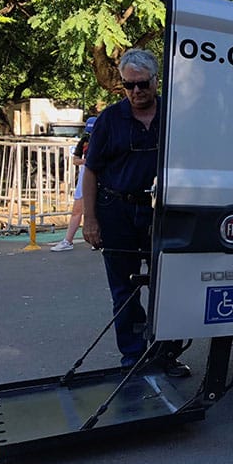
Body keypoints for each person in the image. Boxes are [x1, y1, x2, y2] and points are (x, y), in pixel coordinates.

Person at [81, 48, 190, 377]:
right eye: (129, 85)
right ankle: (133, 357)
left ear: (156, 80)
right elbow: (90, 170)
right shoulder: (109, 119)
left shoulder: (174, 115)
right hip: (117, 211)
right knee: (124, 291)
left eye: (142, 84)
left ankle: (165, 355)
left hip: (162, 213)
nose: (136, 91)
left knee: (167, 287)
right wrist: (90, 220)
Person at [50, 116, 96, 252]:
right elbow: (75, 159)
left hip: (100, 174)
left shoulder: (105, 139)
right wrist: (85, 161)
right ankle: (68, 240)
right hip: (86, 173)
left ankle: (99, 240)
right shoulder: (84, 140)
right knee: (78, 208)